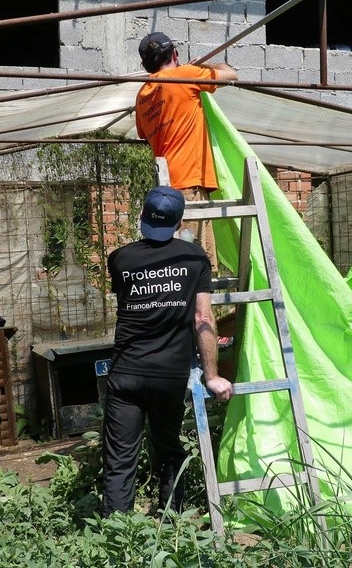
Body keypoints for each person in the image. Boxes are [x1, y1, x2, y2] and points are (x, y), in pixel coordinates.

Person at [102, 186, 234, 517]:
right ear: (179, 224)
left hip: (126, 374)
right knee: (168, 449)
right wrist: (213, 376)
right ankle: (171, 520)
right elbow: (202, 318)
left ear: (142, 217)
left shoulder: (119, 259)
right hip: (169, 377)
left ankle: (113, 537)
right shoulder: (194, 259)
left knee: (120, 459)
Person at [135, 31, 238, 271]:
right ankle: (197, 310)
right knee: (193, 268)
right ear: (175, 54)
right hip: (188, 186)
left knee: (183, 264)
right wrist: (202, 65)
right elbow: (232, 74)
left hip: (166, 188)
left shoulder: (142, 95)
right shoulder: (183, 75)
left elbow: (142, 132)